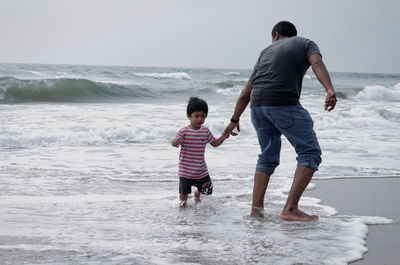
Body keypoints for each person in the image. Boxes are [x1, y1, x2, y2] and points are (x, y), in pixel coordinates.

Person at [224, 21, 337, 221]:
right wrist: (329, 89)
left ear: (275, 35)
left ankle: (256, 211)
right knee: (310, 152)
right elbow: (316, 63)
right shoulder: (305, 43)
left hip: (257, 107)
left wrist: (234, 119)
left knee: (267, 157)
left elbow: (245, 92)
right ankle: (290, 209)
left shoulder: (265, 52)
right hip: (283, 104)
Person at [172, 97, 229, 207]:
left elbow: (215, 143)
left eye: (203, 116)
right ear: (189, 116)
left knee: (208, 191)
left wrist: (223, 137)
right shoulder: (184, 131)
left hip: (201, 170)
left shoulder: (205, 131)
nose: (200, 119)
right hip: (186, 171)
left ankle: (197, 194)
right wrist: (175, 141)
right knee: (183, 198)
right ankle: (182, 216)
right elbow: (174, 144)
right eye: (197, 116)